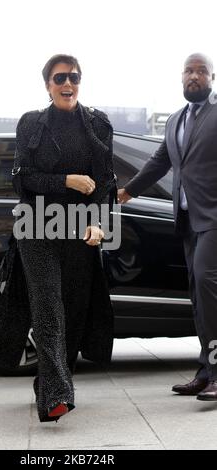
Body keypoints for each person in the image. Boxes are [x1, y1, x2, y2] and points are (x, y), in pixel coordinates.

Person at [0, 54, 117, 422]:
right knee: (48, 309)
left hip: (81, 229)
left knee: (73, 310)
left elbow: (106, 183)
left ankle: (49, 382)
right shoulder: (31, 124)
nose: (68, 84)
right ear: (47, 85)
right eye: (60, 78)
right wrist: (66, 180)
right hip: (38, 227)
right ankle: (56, 395)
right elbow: (22, 180)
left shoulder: (98, 124)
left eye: (74, 77)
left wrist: (99, 223)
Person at [118, 52, 217, 401]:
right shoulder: (175, 120)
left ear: (211, 77)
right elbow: (160, 162)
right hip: (189, 221)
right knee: (197, 294)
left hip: (215, 220)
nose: (194, 76)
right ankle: (206, 371)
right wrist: (127, 191)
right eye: (189, 71)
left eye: (201, 71)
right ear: (181, 77)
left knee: (208, 287)